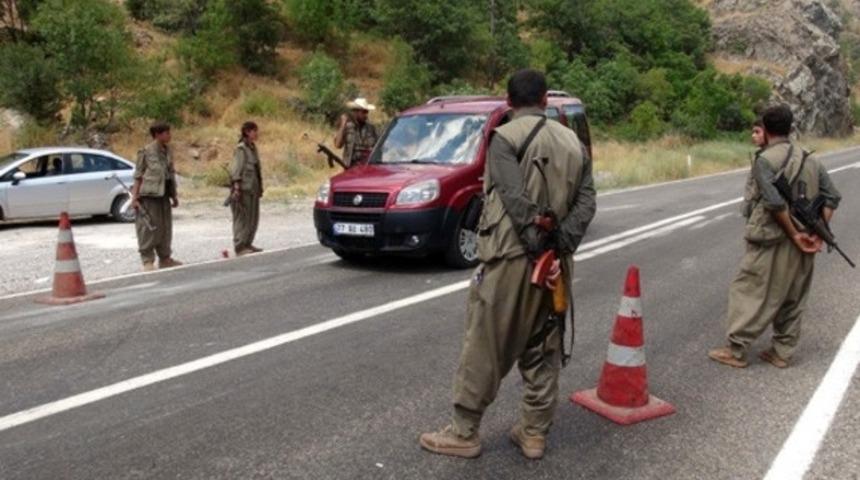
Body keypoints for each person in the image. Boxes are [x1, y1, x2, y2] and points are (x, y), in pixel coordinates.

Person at [419, 69, 596, 460]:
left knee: (485, 346)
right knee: (544, 347)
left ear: (508, 100)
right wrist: (558, 249)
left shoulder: (503, 138)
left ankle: (464, 431)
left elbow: (515, 202)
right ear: (546, 100)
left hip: (511, 261)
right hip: (555, 267)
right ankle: (533, 433)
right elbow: (587, 204)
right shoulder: (574, 143)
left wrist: (537, 248)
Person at [708, 105, 842, 369]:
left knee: (749, 290)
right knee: (794, 295)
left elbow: (774, 203)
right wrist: (816, 232)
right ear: (790, 128)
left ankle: (736, 350)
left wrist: (794, 234)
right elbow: (832, 198)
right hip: (806, 238)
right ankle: (782, 352)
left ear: (766, 130)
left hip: (772, 238)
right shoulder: (811, 159)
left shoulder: (765, 160)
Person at [131, 122, 183, 272]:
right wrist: (134, 198)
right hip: (149, 196)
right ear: (157, 135)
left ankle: (165, 258)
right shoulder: (146, 152)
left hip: (164, 195)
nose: (169, 135)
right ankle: (147, 260)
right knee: (148, 229)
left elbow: (169, 174)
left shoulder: (167, 151)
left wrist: (174, 195)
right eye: (166, 133)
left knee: (165, 228)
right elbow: (138, 176)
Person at [229, 121, 264, 256]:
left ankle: (248, 243)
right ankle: (240, 245)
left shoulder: (252, 148)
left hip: (253, 188)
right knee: (242, 218)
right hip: (243, 188)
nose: (256, 134)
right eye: (254, 131)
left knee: (253, 218)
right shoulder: (241, 149)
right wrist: (237, 187)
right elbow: (236, 169)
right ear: (247, 132)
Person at [334, 98, 378, 168]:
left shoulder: (371, 128)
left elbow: (378, 148)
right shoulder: (347, 127)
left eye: (366, 112)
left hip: (367, 166)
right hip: (350, 167)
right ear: (356, 112)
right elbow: (337, 145)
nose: (366, 115)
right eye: (363, 112)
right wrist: (343, 124)